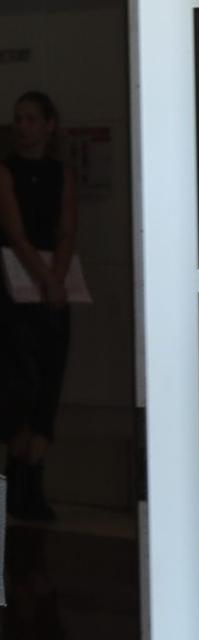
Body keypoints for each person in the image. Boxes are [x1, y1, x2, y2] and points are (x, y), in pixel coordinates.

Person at [0, 91, 77, 521]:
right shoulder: (5, 172)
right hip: (14, 290)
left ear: (49, 124)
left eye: (30, 118)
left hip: (52, 290)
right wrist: (45, 278)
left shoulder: (60, 173)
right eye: (18, 118)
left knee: (48, 378)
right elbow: (13, 230)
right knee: (17, 382)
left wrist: (57, 279)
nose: (22, 126)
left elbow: (67, 229)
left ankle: (34, 481)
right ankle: (16, 481)